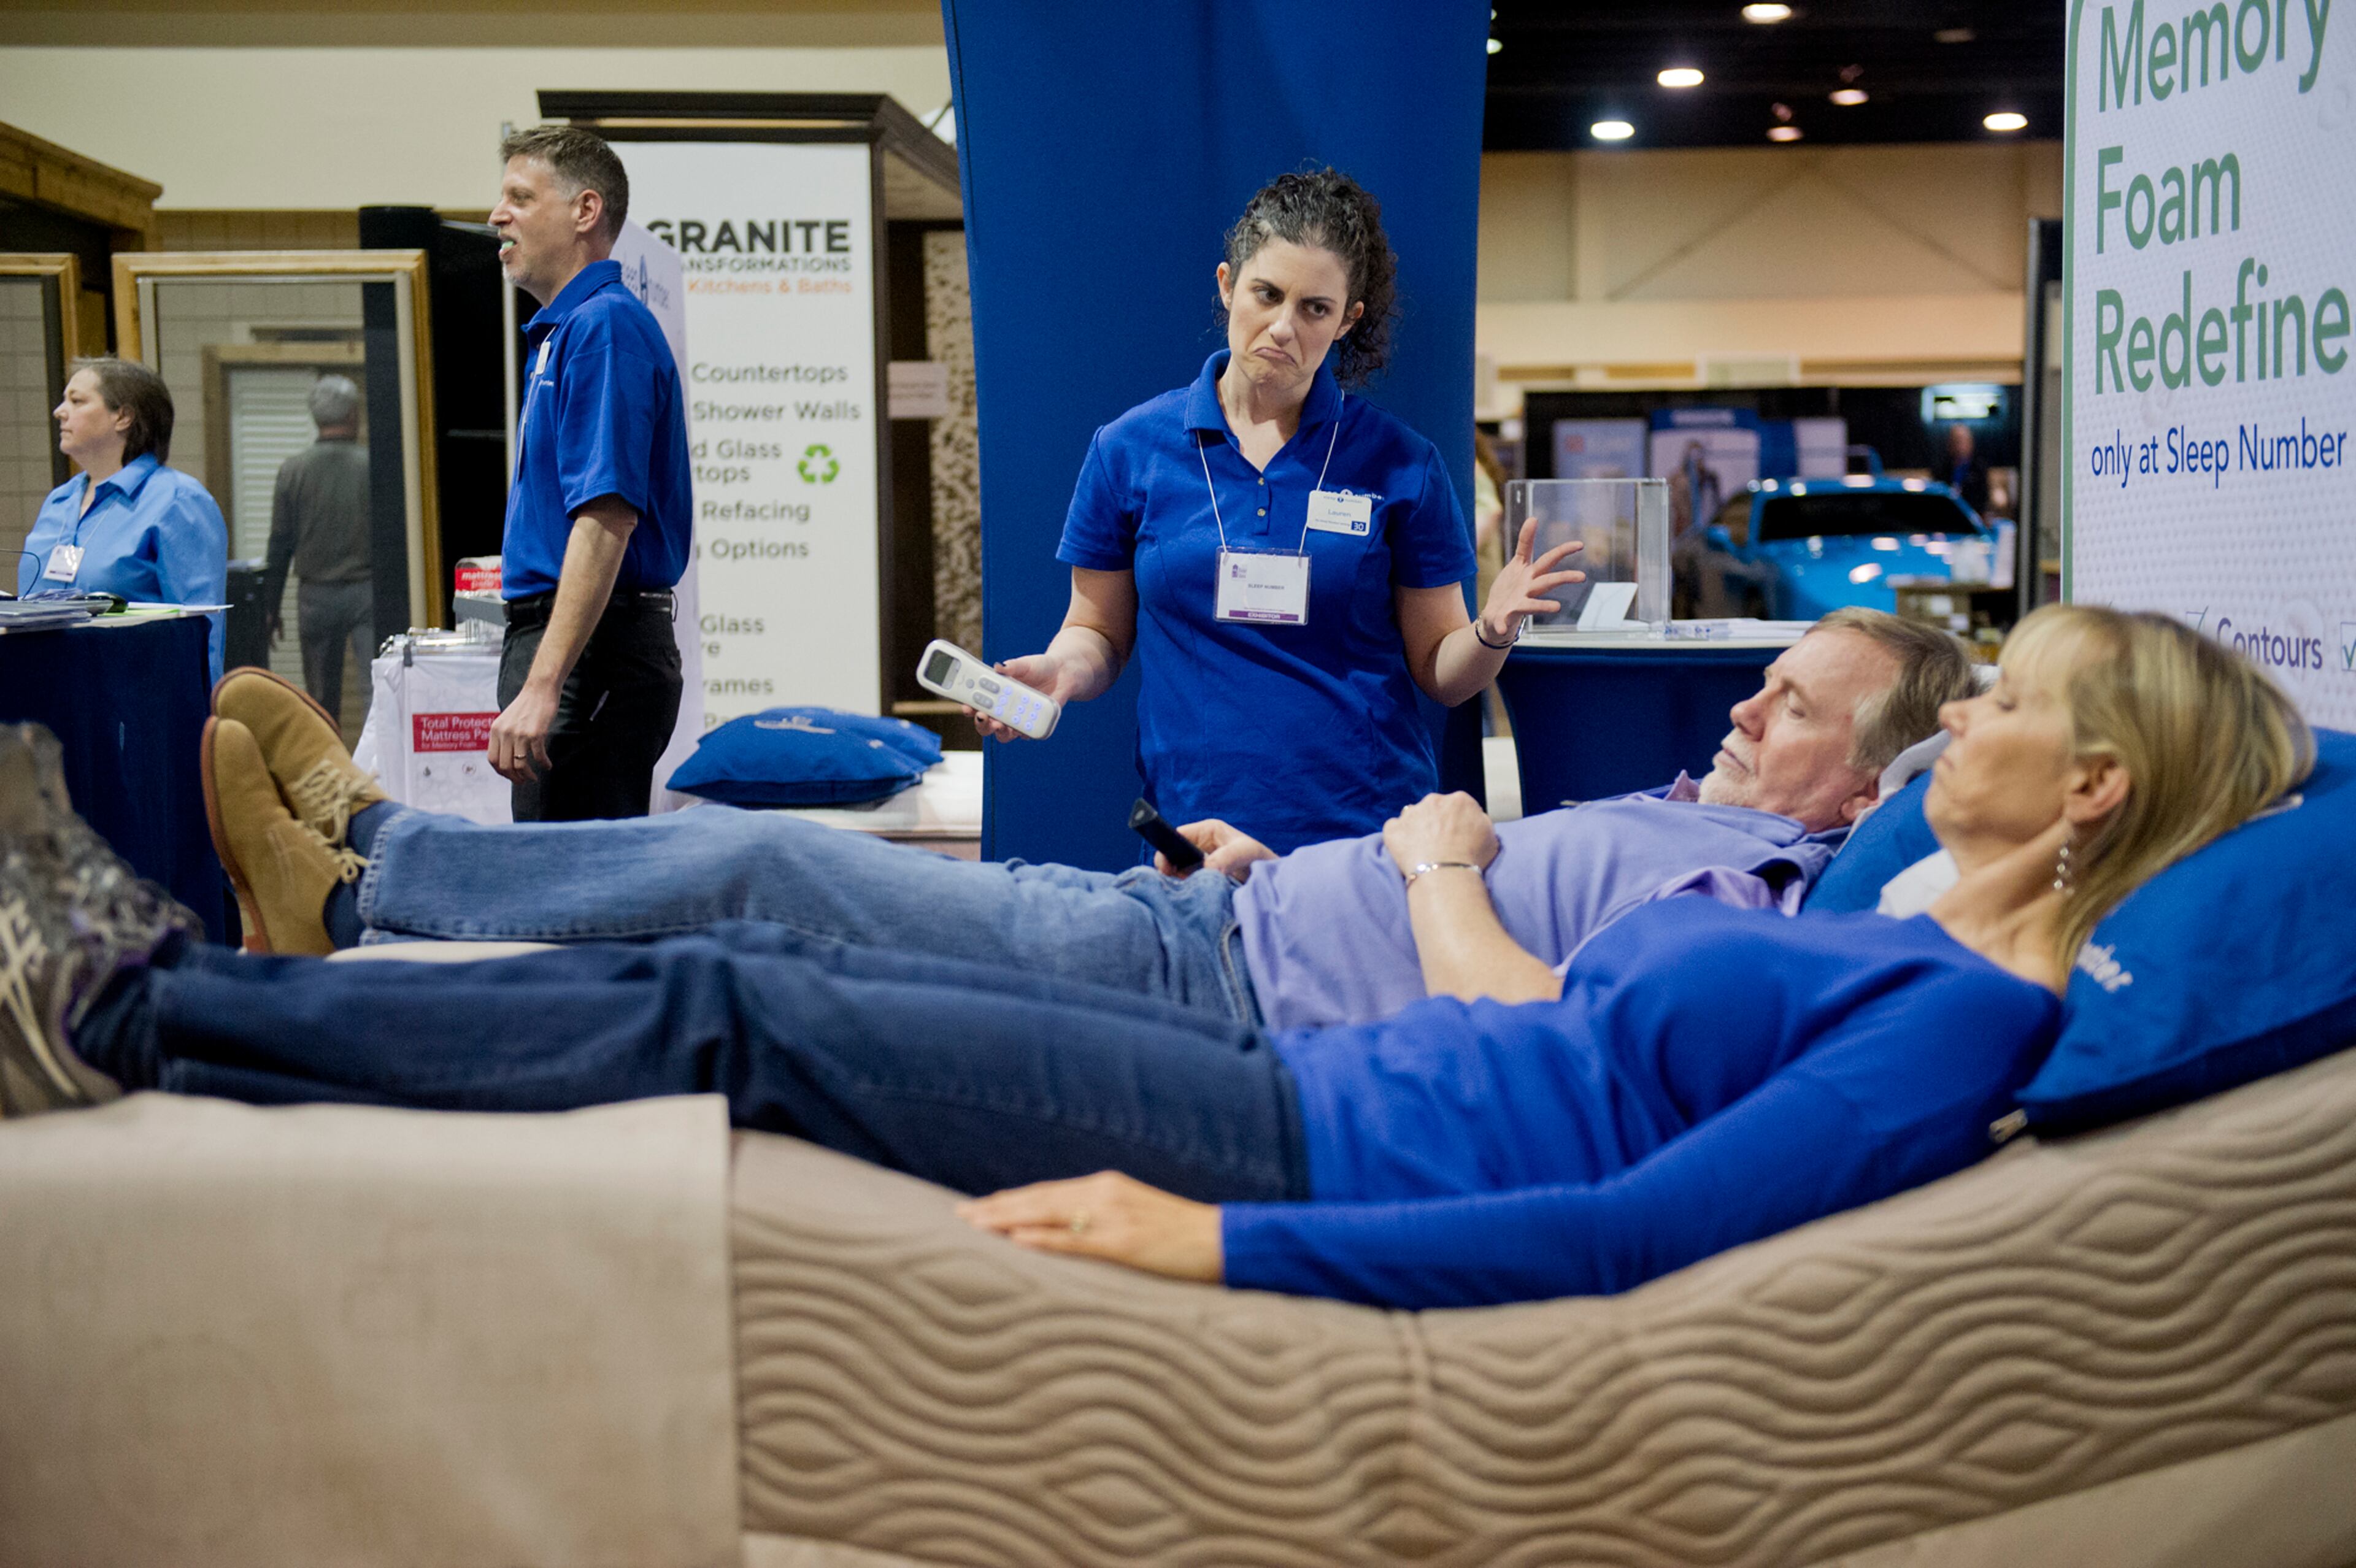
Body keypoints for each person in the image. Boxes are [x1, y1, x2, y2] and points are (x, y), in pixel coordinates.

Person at [1, 609, 2310, 1313]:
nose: (1970, 718)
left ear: (2091, 792)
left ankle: (144, 1010)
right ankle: (220, 977)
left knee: (749, 1002)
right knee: (759, 980)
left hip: (1305, 1123)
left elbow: (1628, 1229)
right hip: (1288, 1052)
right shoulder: (1901, 923)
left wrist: (1211, 1229)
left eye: (2014, 700)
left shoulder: (1964, 1007)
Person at [206, 613, 1977, 1031]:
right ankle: (365, 886)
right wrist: (1298, 872)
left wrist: (1432, 868)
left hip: (1222, 1003)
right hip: (1227, 916)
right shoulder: (1694, 814)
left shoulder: (1759, 891)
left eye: (1793, 705)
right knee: (772, 893)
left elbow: (1561, 1037)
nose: (1742, 706)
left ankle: (373, 875)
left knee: (765, 877)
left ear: (1871, 782)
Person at [982, 169, 1584, 854]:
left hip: (1367, 839)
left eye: (1315, 308)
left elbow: (1443, 674)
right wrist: (1060, 672)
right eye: (1266, 294)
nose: (1282, 327)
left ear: (1348, 318)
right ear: (1226, 285)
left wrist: (1493, 630)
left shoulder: (1399, 462)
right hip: (1195, 833)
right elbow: (1097, 631)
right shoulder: (1129, 450)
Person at [486, 124, 693, 821]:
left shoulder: (605, 326)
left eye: (519, 196)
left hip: (592, 656)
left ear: (585, 210)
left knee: (573, 902)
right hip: (573, 649)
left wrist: (546, 683)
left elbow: (607, 516)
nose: (496, 216)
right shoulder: (562, 332)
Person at [15, 358, 228, 680]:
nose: (60, 411)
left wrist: (202, 719)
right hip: (46, 698)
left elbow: (200, 632)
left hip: (133, 705)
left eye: (77, 401)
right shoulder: (59, 502)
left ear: (124, 417)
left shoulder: (178, 500)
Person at [260, 375, 372, 725]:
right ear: (354, 414)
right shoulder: (372, 466)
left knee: (321, 699)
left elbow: (280, 544)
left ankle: (326, 768)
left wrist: (270, 606)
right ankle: (380, 772)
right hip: (368, 592)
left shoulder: (293, 470)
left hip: (315, 597)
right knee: (375, 691)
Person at [1944, 423, 1991, 516]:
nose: (1958, 446)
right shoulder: (1942, 468)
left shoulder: (1979, 468)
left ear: (1970, 443)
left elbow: (1983, 500)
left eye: (1961, 441)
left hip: (1971, 517)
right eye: (1955, 441)